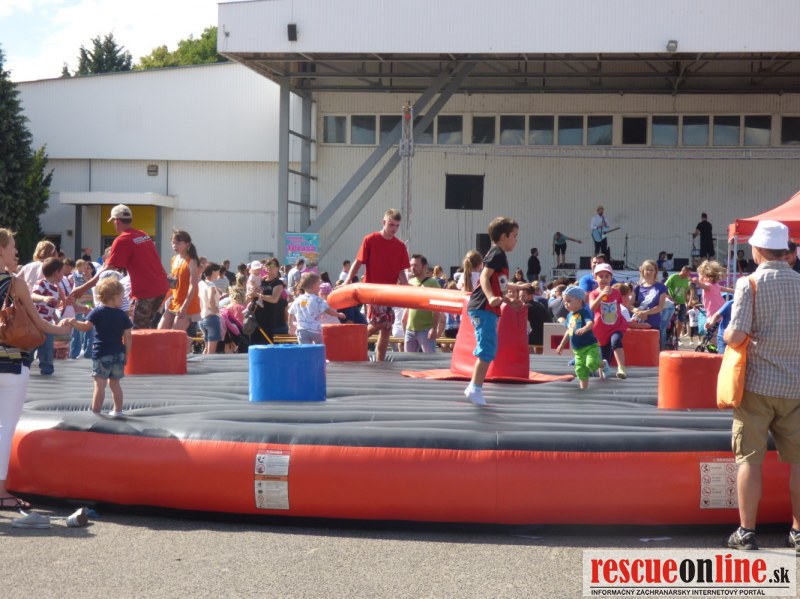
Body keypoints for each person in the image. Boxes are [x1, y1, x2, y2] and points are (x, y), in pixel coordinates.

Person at [722, 220, 800, 553]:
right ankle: (797, 532)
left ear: (757, 250)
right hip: (796, 385)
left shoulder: (749, 284)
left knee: (749, 459)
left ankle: (747, 532)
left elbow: (737, 335)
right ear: (785, 251)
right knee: (798, 461)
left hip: (756, 384)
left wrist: (727, 334)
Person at [0, 228, 72, 511]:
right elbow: (39, 324)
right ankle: (1, 492)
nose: (16, 251)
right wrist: (63, 329)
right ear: (1, 250)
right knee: (5, 428)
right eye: (12, 246)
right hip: (11, 363)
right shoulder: (15, 284)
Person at [72, 204, 169, 329]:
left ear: (116, 221)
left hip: (145, 292)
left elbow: (106, 270)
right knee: (145, 327)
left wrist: (83, 288)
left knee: (136, 331)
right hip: (161, 288)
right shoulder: (143, 235)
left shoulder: (122, 240)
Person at [463, 217, 524, 406]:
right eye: (514, 236)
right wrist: (490, 297)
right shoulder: (496, 253)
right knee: (487, 347)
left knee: (489, 346)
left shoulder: (500, 256)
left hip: (487, 307)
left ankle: (474, 387)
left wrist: (509, 300)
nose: (516, 240)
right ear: (504, 236)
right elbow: (484, 277)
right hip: (483, 307)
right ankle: (474, 388)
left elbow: (499, 284)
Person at [345, 209, 410, 362]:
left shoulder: (400, 246)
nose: (394, 229)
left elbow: (401, 270)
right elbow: (358, 262)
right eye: (391, 224)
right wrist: (347, 280)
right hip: (372, 291)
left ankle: (380, 360)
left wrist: (407, 286)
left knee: (387, 328)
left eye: (397, 226)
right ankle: (352, 344)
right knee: (381, 322)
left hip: (389, 292)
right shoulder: (370, 239)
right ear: (383, 222)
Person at [68, 277, 132, 417]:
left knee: (100, 385)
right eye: (122, 297)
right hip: (118, 354)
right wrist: (126, 354)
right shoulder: (123, 315)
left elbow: (86, 327)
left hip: (102, 353)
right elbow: (128, 337)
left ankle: (95, 413)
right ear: (114, 297)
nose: (123, 300)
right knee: (115, 384)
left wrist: (73, 323)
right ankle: (118, 411)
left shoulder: (97, 312)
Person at [556, 285, 604, 389]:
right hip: (578, 349)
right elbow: (569, 331)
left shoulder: (584, 313)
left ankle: (602, 364)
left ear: (579, 301)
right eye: (564, 302)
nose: (566, 304)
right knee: (580, 370)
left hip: (590, 346)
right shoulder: (569, 316)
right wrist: (562, 344)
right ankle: (584, 388)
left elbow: (590, 323)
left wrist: (585, 328)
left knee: (591, 363)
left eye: (568, 301)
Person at [588, 263, 628, 379]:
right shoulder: (593, 294)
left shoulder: (616, 292)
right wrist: (601, 295)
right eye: (601, 276)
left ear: (611, 278)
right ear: (595, 278)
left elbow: (621, 305)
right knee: (604, 357)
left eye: (607, 276)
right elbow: (592, 307)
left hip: (616, 326)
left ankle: (621, 368)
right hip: (601, 329)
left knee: (616, 341)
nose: (604, 279)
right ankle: (603, 376)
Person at [159, 229, 201, 333]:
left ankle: (187, 341)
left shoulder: (192, 261)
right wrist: (161, 302)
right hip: (174, 302)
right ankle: (187, 341)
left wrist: (185, 306)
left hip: (188, 305)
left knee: (174, 335)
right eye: (173, 243)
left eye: (178, 243)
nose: (174, 245)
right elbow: (172, 285)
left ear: (187, 244)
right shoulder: (174, 259)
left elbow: (193, 286)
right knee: (160, 332)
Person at [288, 272, 345, 345]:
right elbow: (328, 310)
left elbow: (290, 313)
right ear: (313, 286)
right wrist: (338, 314)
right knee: (319, 347)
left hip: (301, 330)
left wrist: (290, 325)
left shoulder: (298, 299)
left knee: (305, 348)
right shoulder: (317, 300)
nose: (319, 288)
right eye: (318, 285)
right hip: (315, 330)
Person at [31, 257, 66, 376]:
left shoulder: (55, 288)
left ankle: (47, 369)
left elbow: (51, 307)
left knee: (47, 347)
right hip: (36, 322)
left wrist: (55, 317)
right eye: (62, 272)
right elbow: (33, 296)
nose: (63, 275)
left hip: (47, 323)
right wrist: (43, 298)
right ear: (56, 273)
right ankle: (24, 363)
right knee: (31, 346)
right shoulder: (41, 283)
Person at [403, 254, 443, 353]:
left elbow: (437, 308)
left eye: (416, 265)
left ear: (424, 267)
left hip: (425, 330)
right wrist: (404, 323)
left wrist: (434, 329)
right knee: (408, 359)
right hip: (410, 329)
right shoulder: (410, 282)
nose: (413, 268)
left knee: (429, 359)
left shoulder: (433, 283)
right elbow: (408, 306)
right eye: (411, 265)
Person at [249, 257, 289, 343]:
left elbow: (274, 299)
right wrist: (251, 294)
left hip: (273, 320)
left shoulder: (278, 283)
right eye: (267, 265)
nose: (269, 267)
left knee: (272, 345)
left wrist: (258, 295)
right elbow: (251, 294)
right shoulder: (261, 280)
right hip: (258, 319)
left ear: (277, 267)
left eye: (272, 265)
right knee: (257, 344)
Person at [632, 259, 667, 331]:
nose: (649, 272)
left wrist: (645, 313)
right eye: (647, 270)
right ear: (643, 271)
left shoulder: (661, 287)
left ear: (655, 272)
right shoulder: (637, 287)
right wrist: (637, 311)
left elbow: (660, 307)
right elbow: (629, 305)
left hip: (653, 324)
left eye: (652, 270)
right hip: (638, 324)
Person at [198, 263, 223, 355]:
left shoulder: (201, 283)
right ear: (213, 272)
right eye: (218, 271)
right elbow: (210, 299)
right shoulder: (211, 285)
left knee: (206, 350)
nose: (219, 273)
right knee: (211, 352)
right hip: (212, 318)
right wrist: (214, 309)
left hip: (202, 318)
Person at [665, 266, 692, 342]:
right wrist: (671, 299)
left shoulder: (687, 280)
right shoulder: (673, 277)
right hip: (672, 302)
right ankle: (667, 336)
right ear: (684, 271)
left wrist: (687, 302)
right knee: (669, 320)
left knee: (681, 320)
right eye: (688, 273)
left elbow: (686, 292)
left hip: (682, 303)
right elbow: (665, 288)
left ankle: (676, 338)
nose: (688, 275)